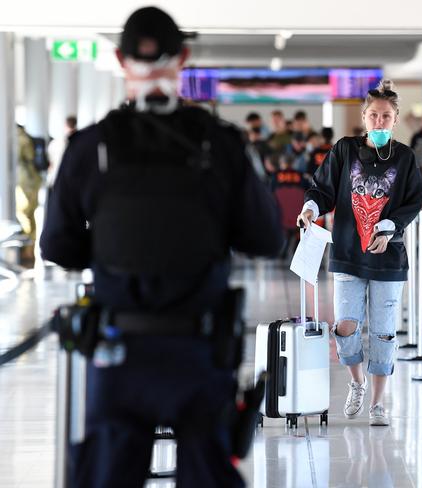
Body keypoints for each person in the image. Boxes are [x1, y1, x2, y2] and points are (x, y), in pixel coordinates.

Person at [40, 7, 284, 488]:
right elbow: (265, 238)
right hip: (199, 351)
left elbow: (59, 246)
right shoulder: (222, 145)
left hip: (118, 353)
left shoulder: (90, 148)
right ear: (184, 59)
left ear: (120, 60)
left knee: (108, 472)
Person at [297, 79, 422, 426]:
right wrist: (311, 208)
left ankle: (379, 404)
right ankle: (357, 382)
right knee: (345, 326)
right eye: (373, 115)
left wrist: (389, 228)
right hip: (348, 253)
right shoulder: (344, 150)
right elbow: (322, 187)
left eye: (386, 116)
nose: (379, 122)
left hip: (388, 256)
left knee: (384, 331)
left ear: (395, 119)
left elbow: (414, 201)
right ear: (364, 117)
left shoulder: (406, 158)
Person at [15, 124, 41, 264]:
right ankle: (29, 248)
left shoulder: (19, 139)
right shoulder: (26, 137)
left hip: (24, 182)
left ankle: (26, 248)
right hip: (33, 181)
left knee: (23, 214)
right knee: (30, 215)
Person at [47, 115, 78, 190]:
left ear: (65, 126)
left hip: (56, 181)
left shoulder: (54, 144)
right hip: (71, 183)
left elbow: (50, 164)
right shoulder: (81, 143)